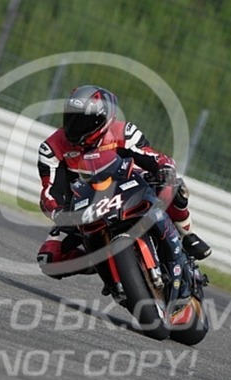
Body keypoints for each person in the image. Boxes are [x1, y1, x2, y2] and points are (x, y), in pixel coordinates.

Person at [36, 85, 211, 281]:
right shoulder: (51, 148)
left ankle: (187, 235)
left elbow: (152, 157)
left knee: (174, 185)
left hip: (130, 189)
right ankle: (100, 262)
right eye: (71, 118)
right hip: (85, 210)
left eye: (83, 120)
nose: (74, 126)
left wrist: (164, 167)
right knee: (49, 258)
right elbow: (50, 192)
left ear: (102, 119)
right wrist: (58, 212)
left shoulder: (123, 132)